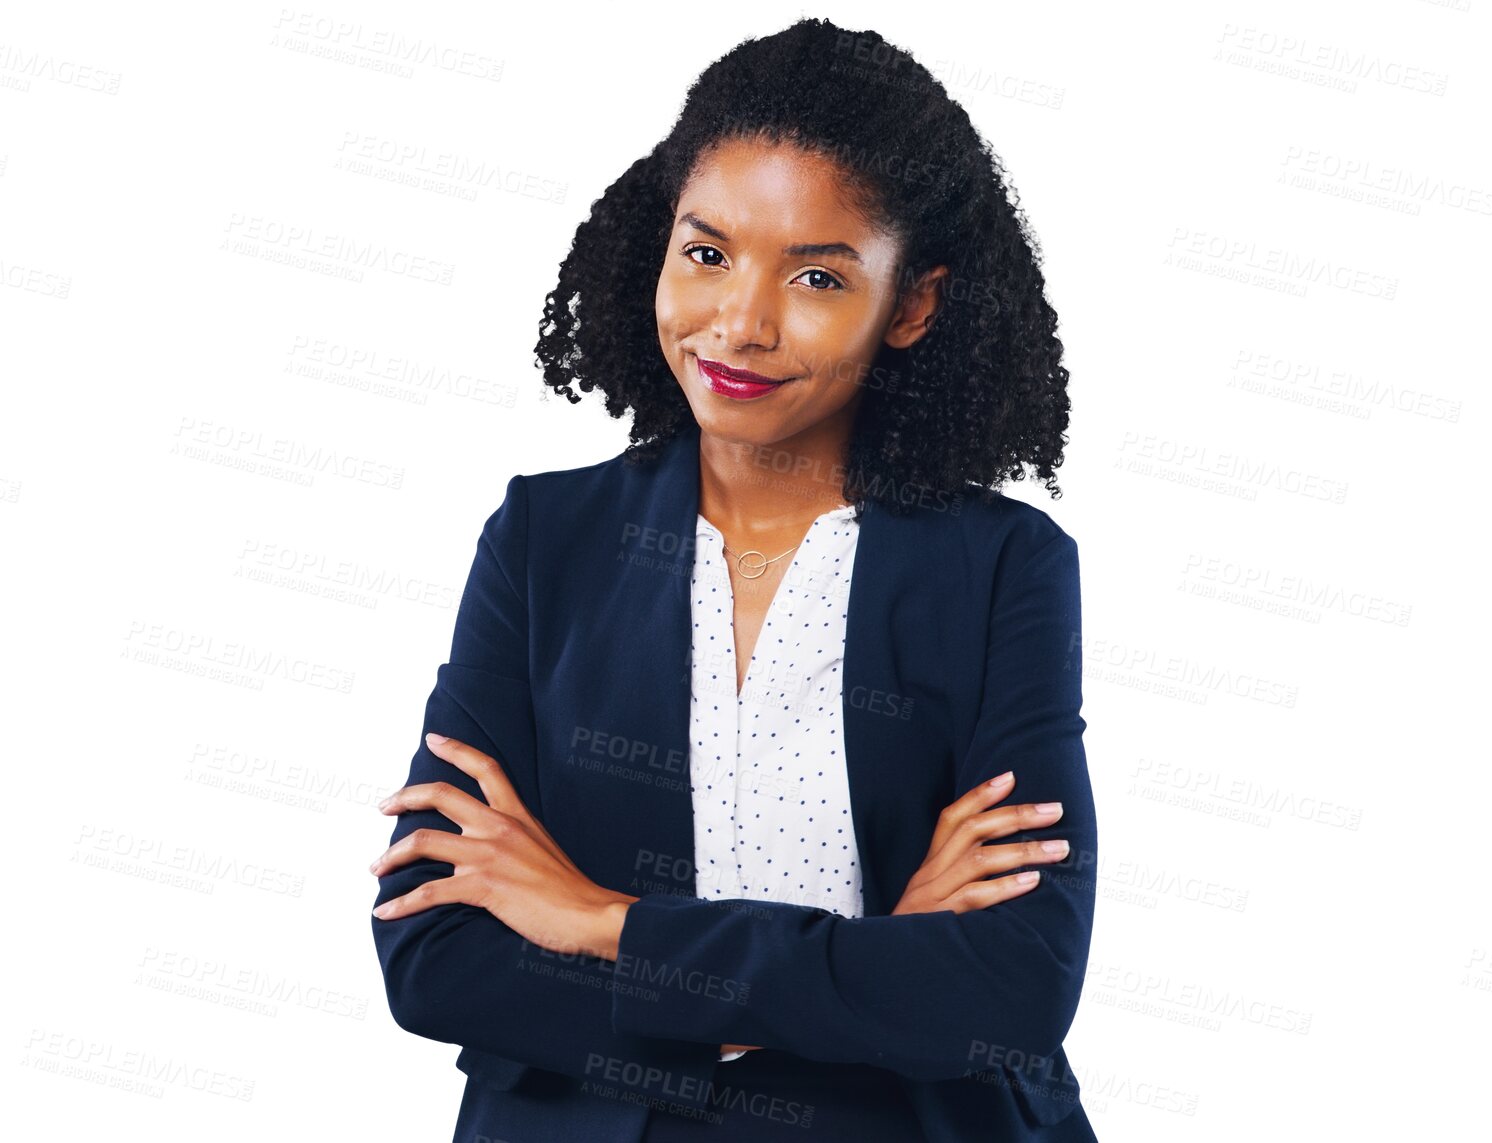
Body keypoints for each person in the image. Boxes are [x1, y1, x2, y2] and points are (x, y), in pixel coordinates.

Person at [370, 17, 1098, 1141]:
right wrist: (865, 965)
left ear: (910, 305)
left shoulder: (1003, 569)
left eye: (815, 275)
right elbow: (436, 954)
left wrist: (598, 920)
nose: (739, 325)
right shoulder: (543, 539)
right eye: (705, 253)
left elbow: (1010, 987)